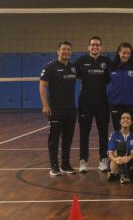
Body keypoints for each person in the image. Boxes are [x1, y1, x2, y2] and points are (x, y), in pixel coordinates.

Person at [39, 41, 77, 176]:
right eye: (63, 49)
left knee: (67, 139)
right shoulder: (50, 67)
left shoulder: (73, 68)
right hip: (56, 109)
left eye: (68, 50)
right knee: (54, 139)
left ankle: (65, 165)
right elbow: (42, 86)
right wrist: (45, 105)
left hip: (71, 110)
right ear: (58, 51)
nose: (66, 52)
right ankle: (54, 166)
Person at [75, 36, 111, 173]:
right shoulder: (81, 62)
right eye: (92, 45)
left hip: (102, 103)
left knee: (103, 133)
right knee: (84, 133)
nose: (95, 47)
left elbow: (111, 77)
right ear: (88, 47)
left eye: (97, 45)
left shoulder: (107, 62)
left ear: (101, 47)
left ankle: (103, 160)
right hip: (85, 103)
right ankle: (83, 161)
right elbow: (72, 74)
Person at [108, 42, 133, 132]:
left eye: (128, 53)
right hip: (116, 104)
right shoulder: (112, 67)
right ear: (119, 52)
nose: (126, 55)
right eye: (124, 53)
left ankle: (130, 146)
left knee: (131, 131)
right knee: (118, 131)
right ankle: (120, 147)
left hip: (132, 104)